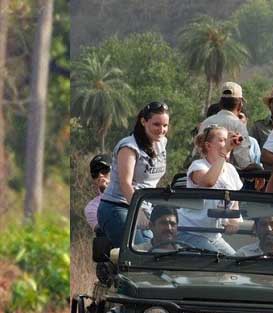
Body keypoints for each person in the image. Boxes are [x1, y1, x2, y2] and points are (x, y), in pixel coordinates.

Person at [98, 101, 169, 245]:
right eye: (156, 124)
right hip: (118, 207)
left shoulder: (162, 142)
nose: (161, 130)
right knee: (141, 253)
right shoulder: (129, 146)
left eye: (165, 125)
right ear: (143, 121)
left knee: (158, 250)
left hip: (144, 208)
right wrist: (139, 210)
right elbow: (125, 183)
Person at [179, 125, 245, 254]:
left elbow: (234, 200)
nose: (226, 143)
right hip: (190, 231)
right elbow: (208, 182)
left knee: (235, 261)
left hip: (214, 236)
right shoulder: (198, 166)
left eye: (227, 139)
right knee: (218, 261)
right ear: (208, 146)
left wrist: (234, 221)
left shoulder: (231, 169)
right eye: (221, 140)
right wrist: (224, 153)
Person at [193, 82, 253, 170]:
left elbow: (199, 152)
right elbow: (243, 160)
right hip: (226, 176)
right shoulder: (238, 125)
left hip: (204, 173)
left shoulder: (206, 122)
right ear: (240, 105)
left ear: (220, 103)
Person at [84, 154, 111, 231]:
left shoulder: (132, 192)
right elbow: (104, 232)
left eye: (104, 170)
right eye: (95, 173)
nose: (100, 175)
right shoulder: (91, 208)